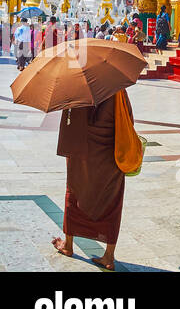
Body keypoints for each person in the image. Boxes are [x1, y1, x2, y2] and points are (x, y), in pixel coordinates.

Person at [51, 89, 135, 272]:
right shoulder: (118, 89)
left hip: (82, 154)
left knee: (74, 193)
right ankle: (109, 256)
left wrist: (69, 156)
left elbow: (69, 126)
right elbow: (128, 122)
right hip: (111, 156)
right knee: (112, 201)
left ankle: (68, 245)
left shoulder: (76, 88)